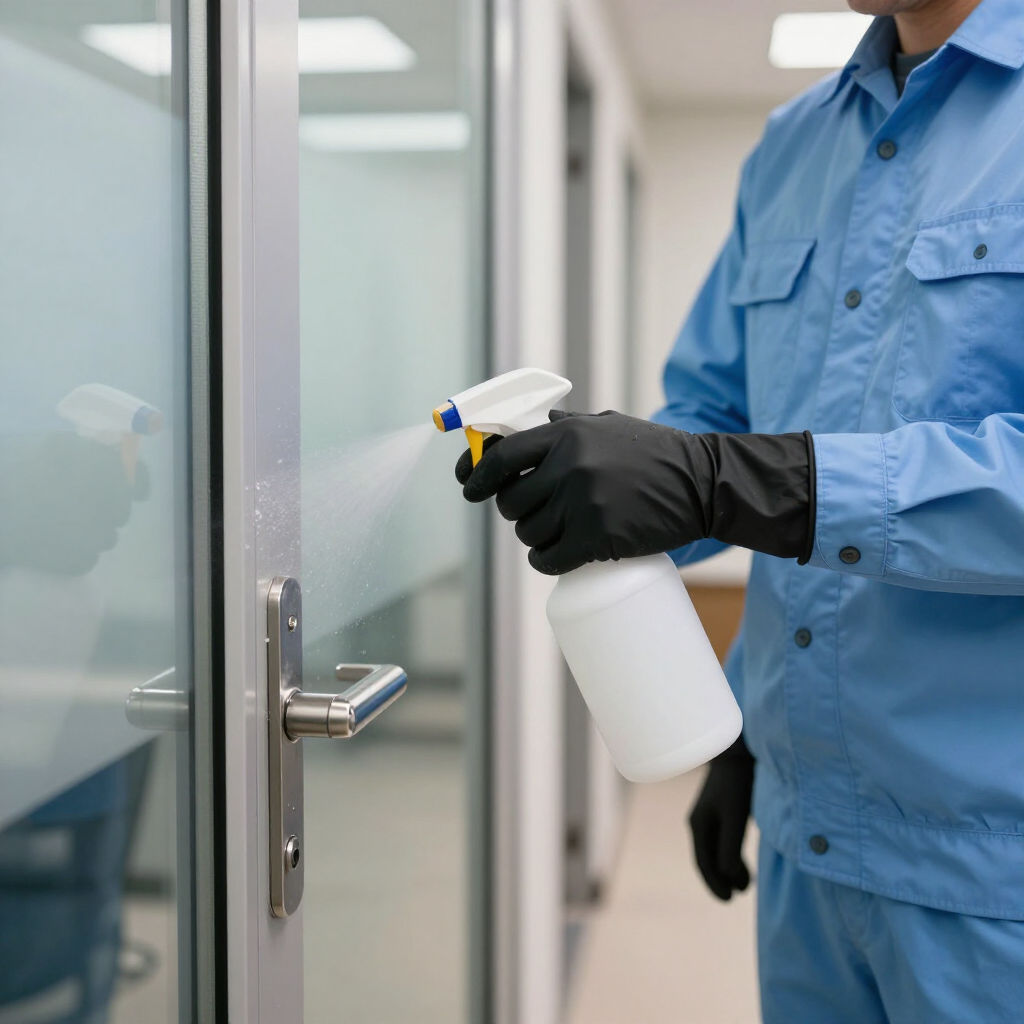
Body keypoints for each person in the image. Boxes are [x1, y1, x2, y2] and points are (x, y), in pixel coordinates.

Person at [455, 0, 1024, 1019]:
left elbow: (744, 471)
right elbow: (714, 420)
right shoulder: (793, 145)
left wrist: (725, 478)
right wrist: (744, 719)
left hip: (995, 879)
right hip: (807, 840)